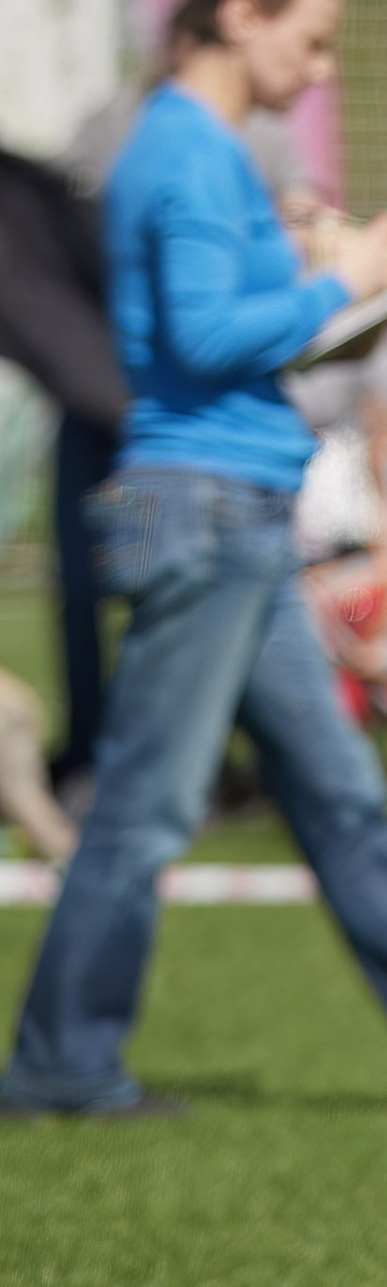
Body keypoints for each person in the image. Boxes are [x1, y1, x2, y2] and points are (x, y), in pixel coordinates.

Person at [0, 0, 387, 1119]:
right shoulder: (184, 146)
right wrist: (346, 281)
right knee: (145, 806)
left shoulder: (199, 149)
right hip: (204, 505)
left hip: (234, 509)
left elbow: (214, 322)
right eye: (312, 40)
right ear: (239, 17)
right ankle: (61, 1061)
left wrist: (309, 263)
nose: (321, 69)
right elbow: (205, 338)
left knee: (335, 790)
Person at [0, 147, 128, 799]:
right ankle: (86, 754)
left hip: (140, 426)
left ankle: (130, 762)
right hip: (88, 413)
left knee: (150, 596)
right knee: (78, 591)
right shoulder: (96, 133)